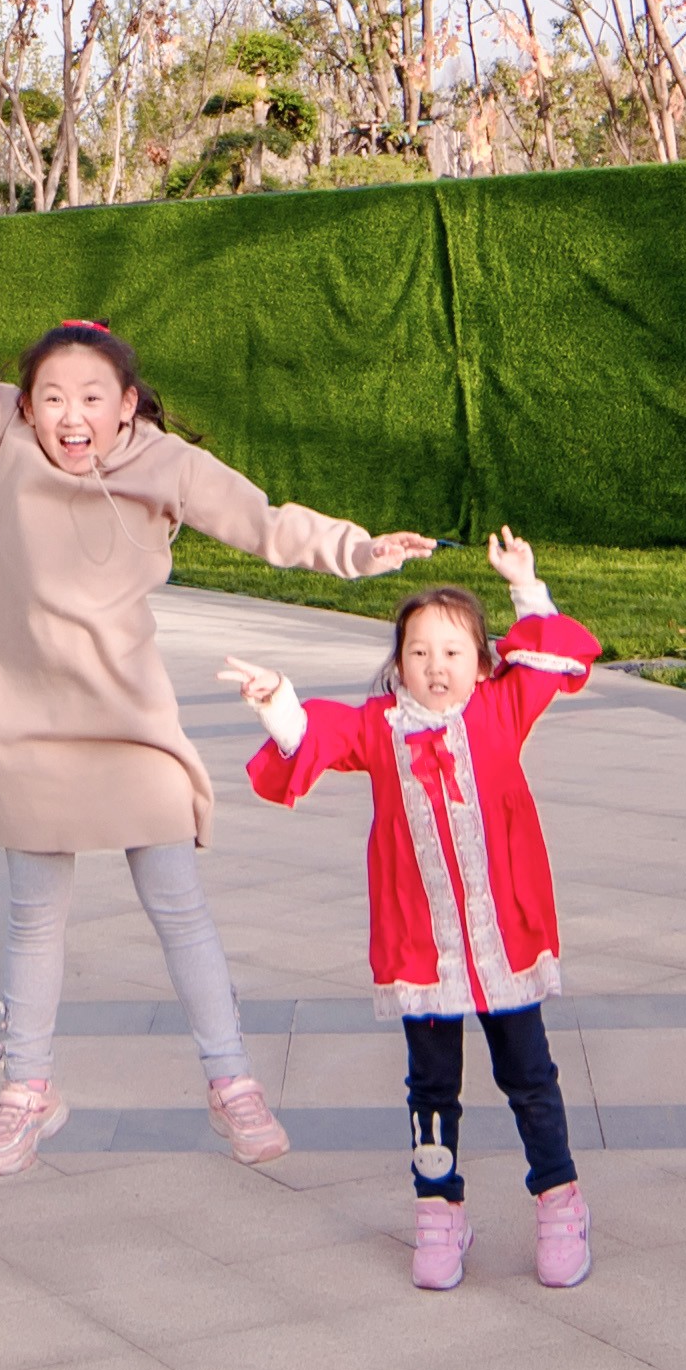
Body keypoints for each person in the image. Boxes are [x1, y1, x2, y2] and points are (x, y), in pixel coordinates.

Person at [0, 204, 431, 1178]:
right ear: (28, 402)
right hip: (24, 721)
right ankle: (26, 1092)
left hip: (127, 719)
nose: (70, 414)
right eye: (51, 395)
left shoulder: (161, 463)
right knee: (34, 910)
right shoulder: (1, 437)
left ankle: (230, 1080)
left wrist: (353, 548)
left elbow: (257, 518)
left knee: (176, 900)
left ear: (127, 403)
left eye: (92, 395)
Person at [222, 529, 604, 1290]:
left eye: (455, 652)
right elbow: (314, 736)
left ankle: (559, 1200)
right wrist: (277, 703)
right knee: (432, 1084)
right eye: (421, 653)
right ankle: (438, 1208)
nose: (437, 667)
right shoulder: (379, 729)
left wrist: (526, 586)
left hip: (505, 937)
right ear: (399, 662)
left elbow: (554, 660)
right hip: (421, 945)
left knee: (528, 1072)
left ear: (481, 662)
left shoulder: (501, 710)